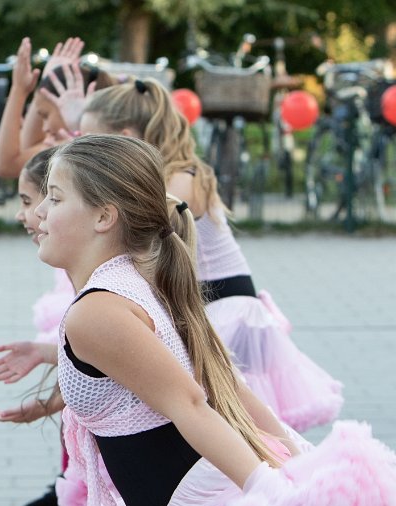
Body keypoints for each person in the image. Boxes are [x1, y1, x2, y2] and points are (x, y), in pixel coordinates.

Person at [40, 134, 393, 506]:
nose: (38, 212)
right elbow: (223, 389)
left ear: (104, 216)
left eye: (55, 197)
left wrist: (282, 501)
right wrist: (293, 466)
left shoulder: (100, 310)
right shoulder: (131, 287)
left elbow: (195, 406)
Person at [75, 77, 344, 431]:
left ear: (124, 138)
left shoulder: (178, 181)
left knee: (239, 427)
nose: (81, 147)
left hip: (225, 313)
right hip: (201, 309)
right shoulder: (163, 176)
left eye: (88, 140)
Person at [0, 147, 90, 506]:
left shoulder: (105, 300)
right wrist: (49, 357)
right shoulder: (91, 292)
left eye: (42, 201)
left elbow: (187, 403)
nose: (28, 214)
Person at [0, 36, 114, 179]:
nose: (44, 128)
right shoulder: (65, 143)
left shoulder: (69, 146)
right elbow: (29, 149)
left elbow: (6, 166)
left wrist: (19, 89)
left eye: (45, 116)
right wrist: (46, 81)